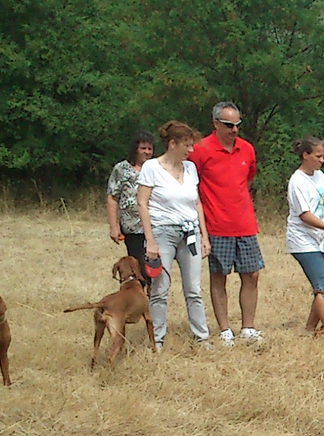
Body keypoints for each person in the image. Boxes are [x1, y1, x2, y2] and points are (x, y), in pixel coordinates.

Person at [189, 101, 263, 344]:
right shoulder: (201, 150)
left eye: (237, 125)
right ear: (216, 124)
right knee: (219, 276)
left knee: (251, 275)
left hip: (245, 224)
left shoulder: (247, 149)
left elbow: (248, 179)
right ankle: (224, 330)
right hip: (216, 225)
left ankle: (248, 328)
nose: (234, 130)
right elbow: (192, 184)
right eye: (229, 125)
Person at [137, 121, 210, 348]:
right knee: (160, 289)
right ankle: (156, 339)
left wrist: (204, 236)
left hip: (190, 233)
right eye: (187, 145)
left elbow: (197, 203)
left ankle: (202, 337)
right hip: (163, 232)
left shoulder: (190, 169)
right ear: (172, 144)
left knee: (194, 289)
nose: (191, 150)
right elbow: (142, 203)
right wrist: (150, 240)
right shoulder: (151, 168)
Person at [286, 137, 324, 334]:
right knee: (321, 286)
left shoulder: (319, 175)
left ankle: (310, 329)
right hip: (303, 240)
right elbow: (305, 215)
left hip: (321, 239)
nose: (322, 160)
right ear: (306, 155)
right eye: (318, 156)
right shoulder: (297, 181)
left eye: (323, 156)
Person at [107, 131, 155, 271]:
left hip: (155, 225)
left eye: (149, 149)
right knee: (138, 265)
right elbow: (112, 198)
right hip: (132, 227)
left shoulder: (156, 168)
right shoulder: (121, 169)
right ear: (135, 149)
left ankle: (153, 293)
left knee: (154, 265)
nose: (147, 152)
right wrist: (113, 227)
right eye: (143, 148)